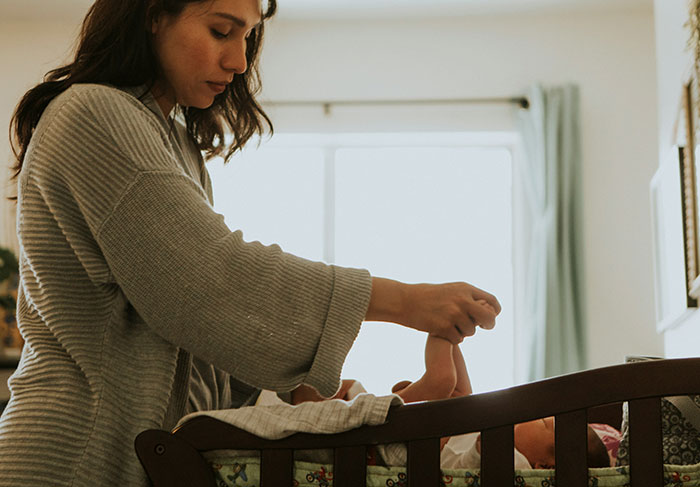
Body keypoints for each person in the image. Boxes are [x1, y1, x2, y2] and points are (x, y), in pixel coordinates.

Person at [0, 1, 501, 486]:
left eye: (247, 37)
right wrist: (407, 301)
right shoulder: (94, 113)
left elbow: (196, 339)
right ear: (153, 16)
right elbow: (211, 281)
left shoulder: (175, 145)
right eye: (222, 31)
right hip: (78, 457)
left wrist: (307, 396)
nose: (239, 62)